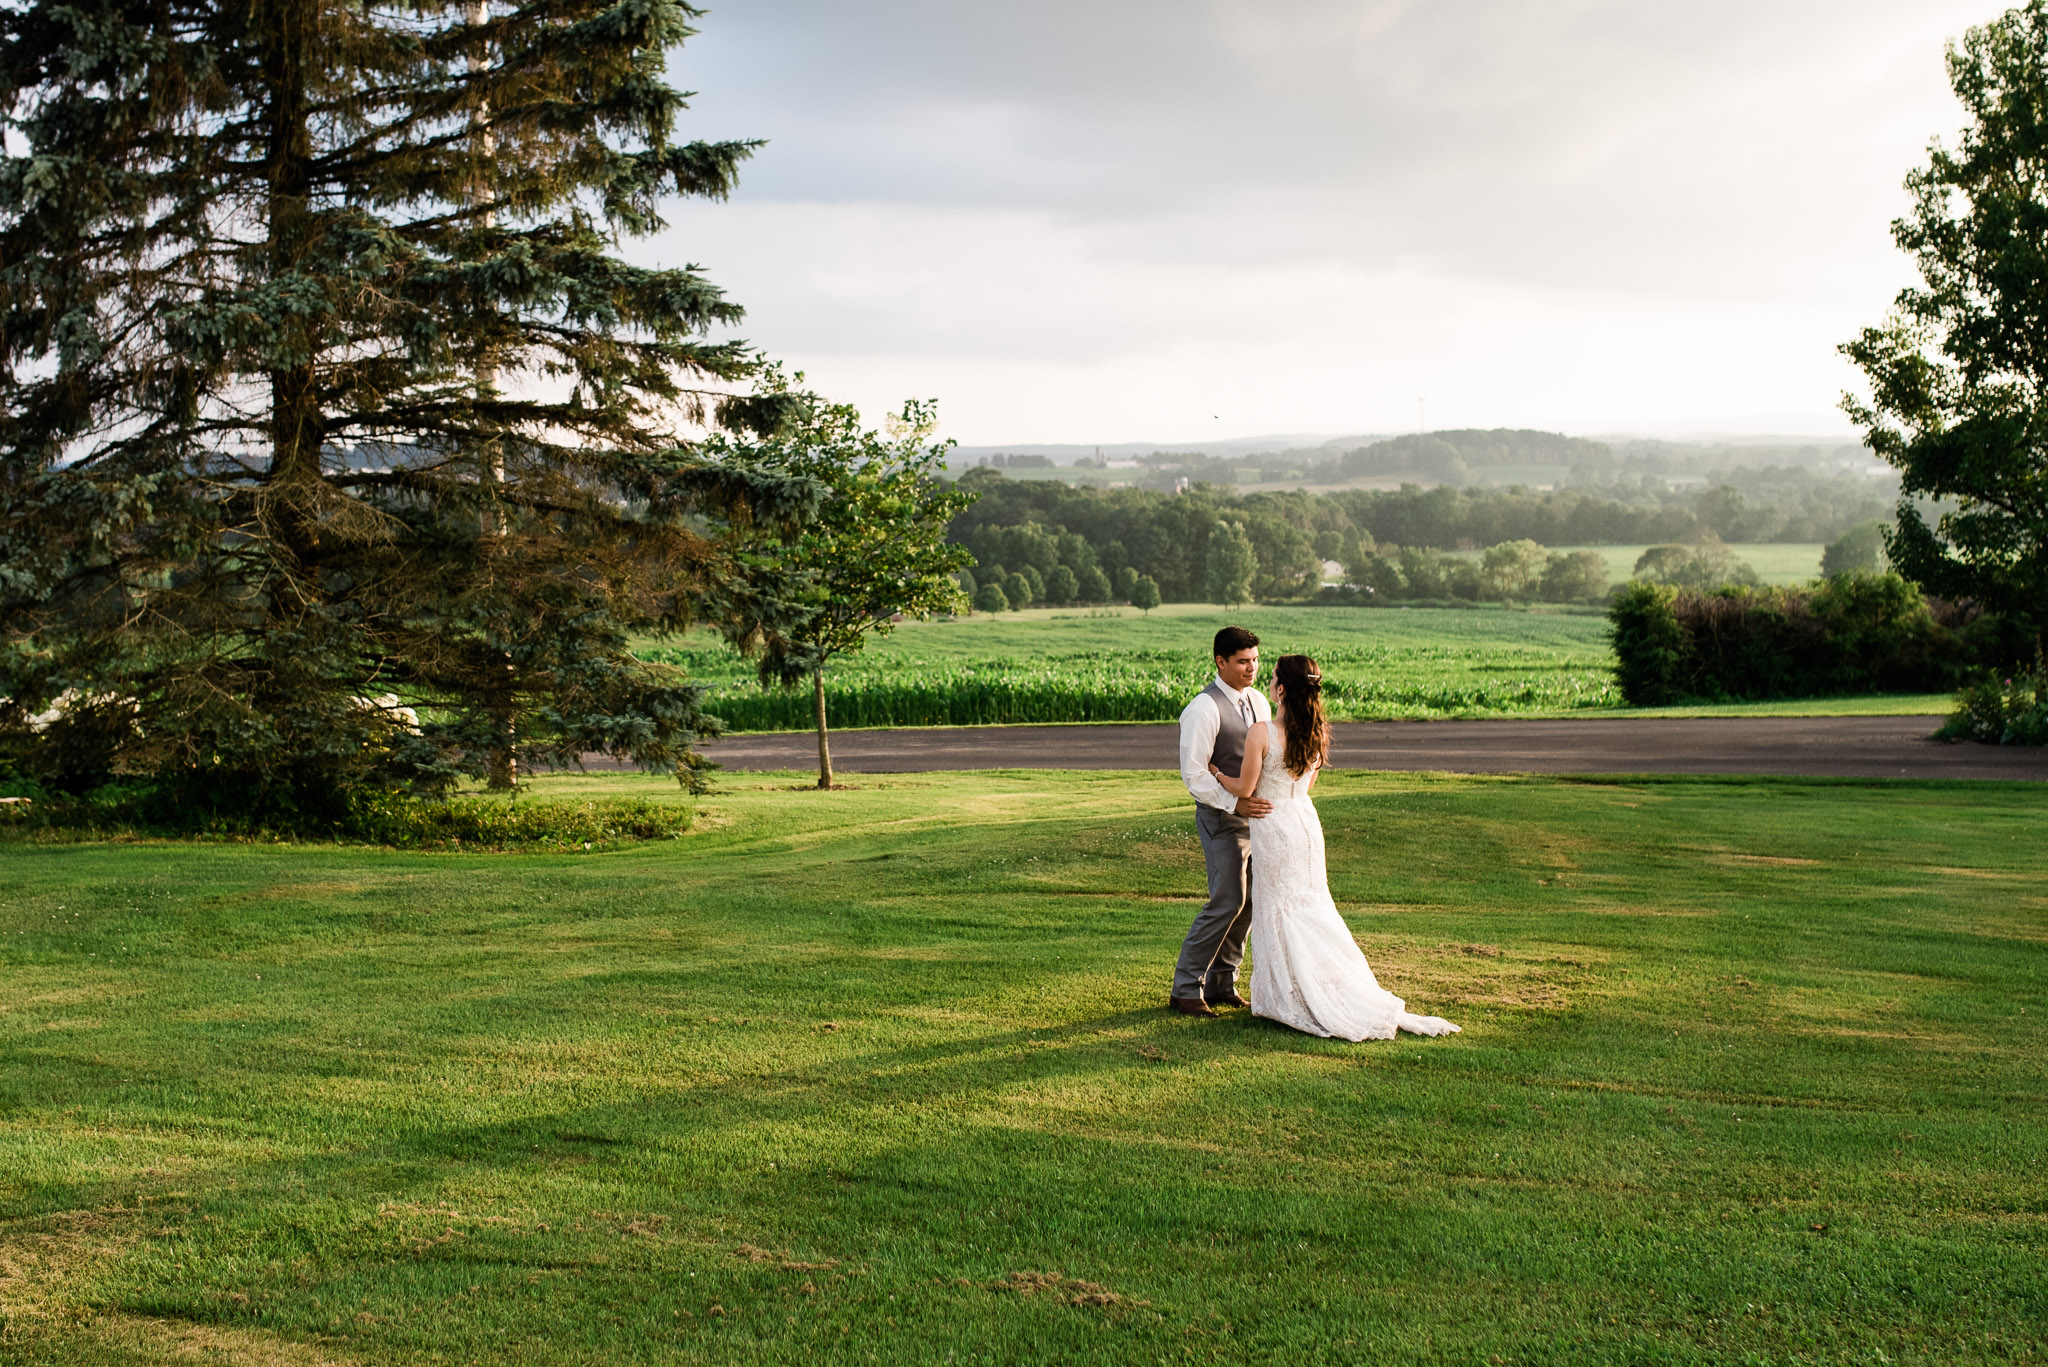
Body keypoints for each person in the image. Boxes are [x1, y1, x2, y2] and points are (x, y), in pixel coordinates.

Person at [1207, 653, 1460, 1040]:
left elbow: (1244, 789)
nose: (1268, 680)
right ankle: (1319, 985)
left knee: (1279, 907)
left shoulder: (1262, 732)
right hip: (1304, 822)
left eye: (1272, 675)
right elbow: (1306, 785)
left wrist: (1216, 773)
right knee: (1310, 905)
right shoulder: (1316, 730)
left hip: (1273, 824)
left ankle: (1288, 996)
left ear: (1282, 688)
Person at [1170, 625, 1272, 1017]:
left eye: (1256, 661)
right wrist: (1235, 804)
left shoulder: (1259, 702)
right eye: (1243, 662)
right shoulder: (1203, 708)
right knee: (1227, 899)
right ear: (1221, 662)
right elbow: (1195, 776)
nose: (1251, 669)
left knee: (1247, 903)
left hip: (1256, 821)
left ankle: (1221, 982)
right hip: (1219, 819)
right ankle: (1185, 988)